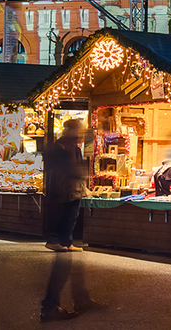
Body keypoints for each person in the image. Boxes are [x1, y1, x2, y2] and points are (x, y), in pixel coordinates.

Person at [41, 119, 102, 322]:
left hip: (68, 194)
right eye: (77, 130)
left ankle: (80, 298)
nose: (79, 133)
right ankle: (50, 306)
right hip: (64, 195)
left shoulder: (67, 147)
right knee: (64, 260)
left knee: (71, 259)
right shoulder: (62, 148)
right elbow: (68, 171)